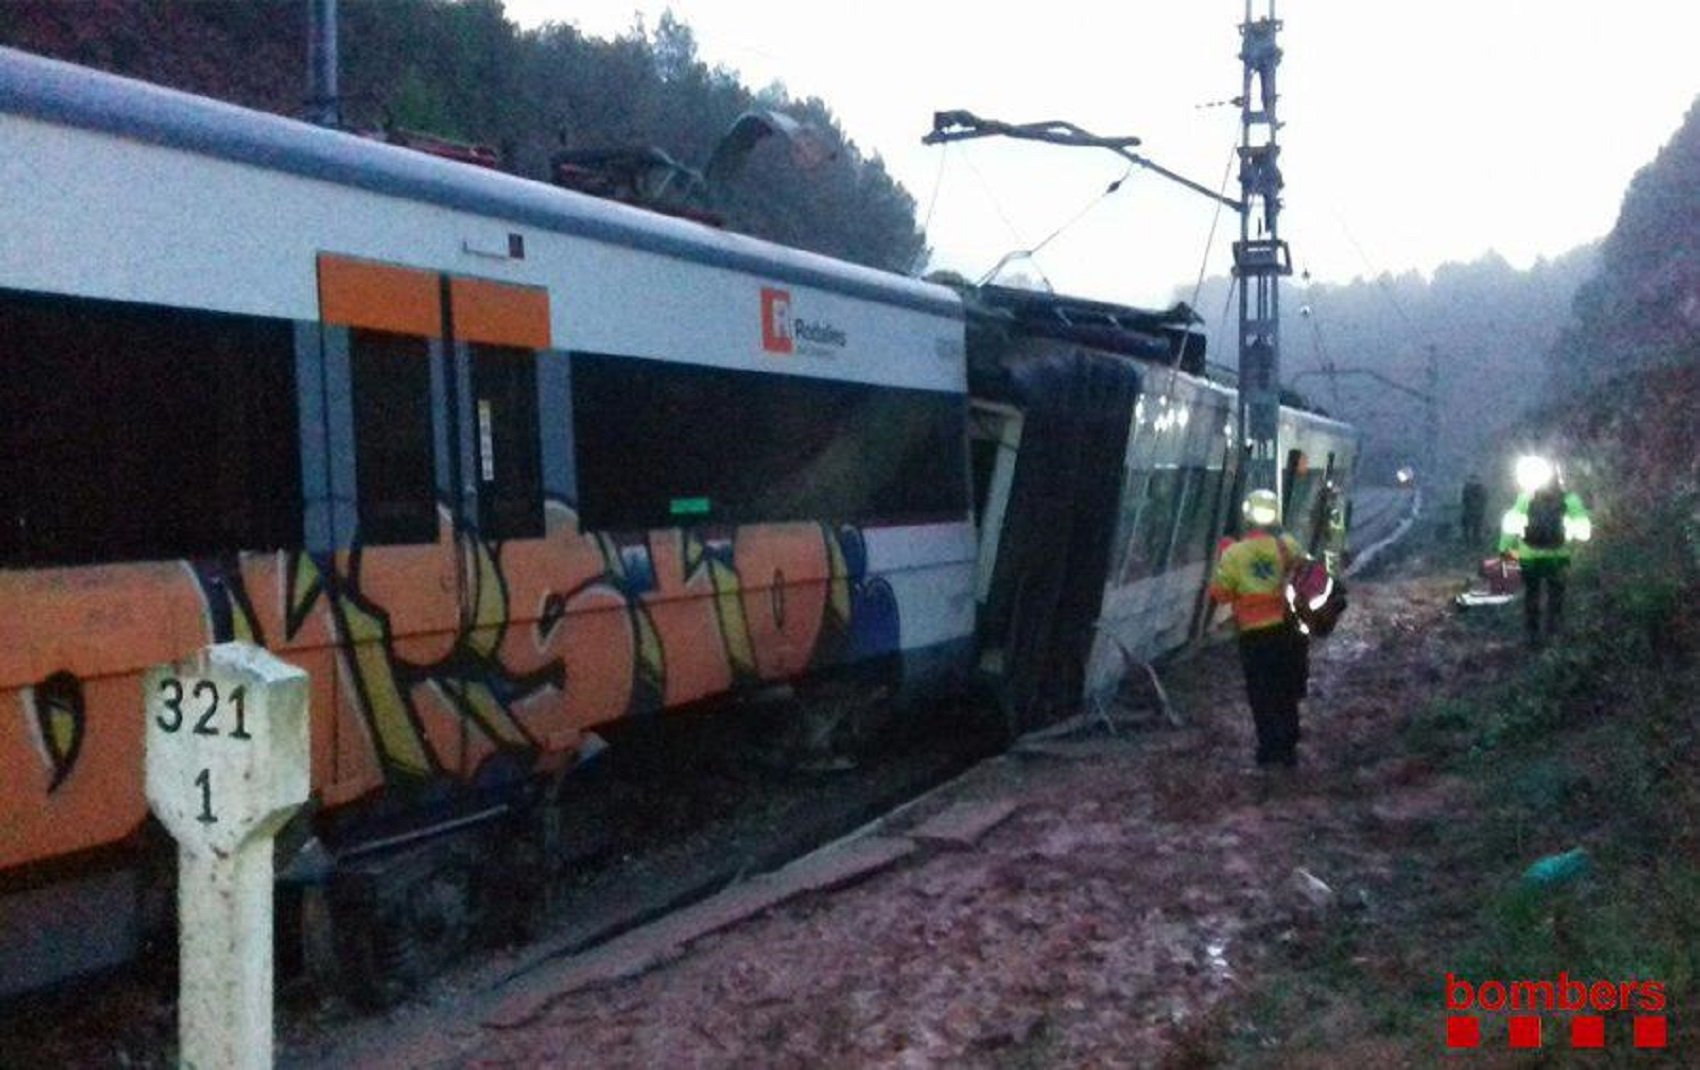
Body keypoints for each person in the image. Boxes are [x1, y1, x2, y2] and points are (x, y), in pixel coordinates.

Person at [1210, 488, 1310, 768]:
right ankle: (1289, 748)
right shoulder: (1286, 545)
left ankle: (1268, 750)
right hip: (1286, 632)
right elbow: (1305, 575)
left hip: (1254, 637)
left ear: (1247, 516)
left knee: (1261, 693)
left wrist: (1226, 559)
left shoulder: (1234, 553)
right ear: (1275, 515)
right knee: (1285, 689)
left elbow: (1221, 595)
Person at [1498, 457, 1591, 645]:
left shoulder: (1525, 498)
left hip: (1529, 556)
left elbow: (1511, 526)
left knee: (1532, 594)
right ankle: (1553, 634)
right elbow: (1584, 533)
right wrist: (1572, 538)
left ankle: (1531, 634)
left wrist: (1505, 549)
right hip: (1558, 556)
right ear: (1560, 478)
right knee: (1556, 596)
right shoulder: (1570, 499)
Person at [1460, 473, 1487, 547]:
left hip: (1474, 512)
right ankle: (1471, 542)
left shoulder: (1478, 489)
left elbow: (1483, 500)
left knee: (1475, 528)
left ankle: (1473, 542)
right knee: (1472, 528)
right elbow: (1465, 500)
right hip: (1472, 512)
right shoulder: (1469, 488)